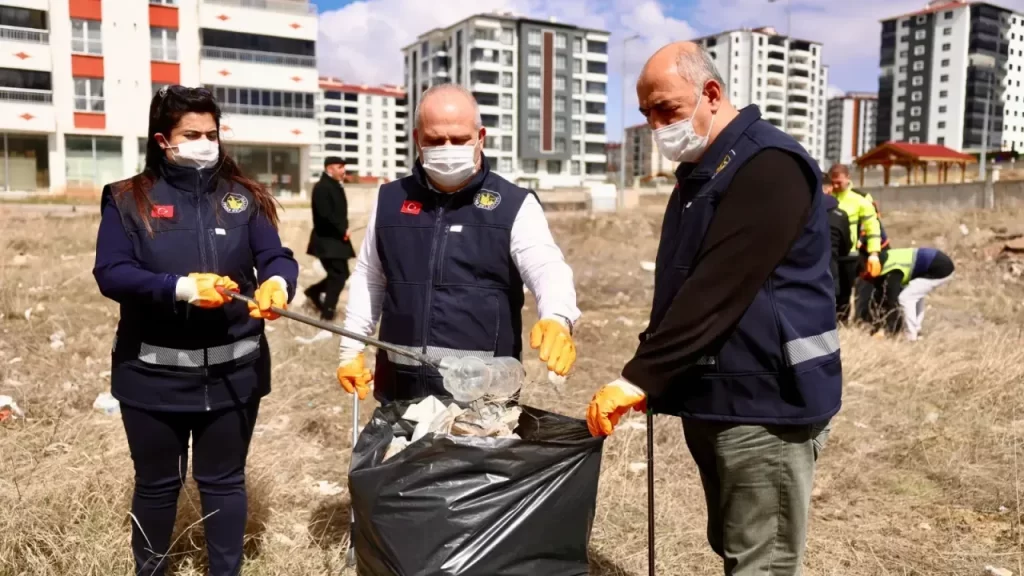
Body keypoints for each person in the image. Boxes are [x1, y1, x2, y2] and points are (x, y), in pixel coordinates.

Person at [585, 43, 841, 575]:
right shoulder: (701, 176)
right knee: (735, 544)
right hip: (721, 397)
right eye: (646, 114)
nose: (656, 125)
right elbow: (682, 291)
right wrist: (654, 369)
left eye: (666, 109)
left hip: (768, 402)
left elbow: (719, 286)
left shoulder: (769, 165)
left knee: (761, 563)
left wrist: (641, 377)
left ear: (712, 94)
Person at [92, 85, 298, 576]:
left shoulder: (243, 198)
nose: (205, 142)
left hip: (234, 376)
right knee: (158, 485)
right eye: (192, 134)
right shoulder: (126, 199)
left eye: (212, 133)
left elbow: (276, 256)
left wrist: (276, 282)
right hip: (152, 377)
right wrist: (180, 287)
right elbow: (111, 272)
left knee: (224, 481)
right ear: (164, 139)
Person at [334, 84, 580, 402]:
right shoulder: (391, 200)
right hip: (399, 393)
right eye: (435, 140)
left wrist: (557, 318)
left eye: (460, 139)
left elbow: (546, 267)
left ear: (480, 137)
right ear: (417, 139)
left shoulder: (513, 205)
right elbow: (370, 277)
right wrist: (351, 348)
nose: (447, 148)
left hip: (482, 398)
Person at [828, 163, 884, 322]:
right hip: (829, 254)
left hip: (849, 255)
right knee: (830, 291)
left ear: (848, 179)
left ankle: (842, 322)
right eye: (833, 182)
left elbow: (873, 228)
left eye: (839, 182)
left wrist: (874, 254)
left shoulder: (860, 200)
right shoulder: (827, 197)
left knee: (845, 292)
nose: (836, 185)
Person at [305, 156, 355, 320]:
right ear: (329, 169)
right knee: (338, 276)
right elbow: (324, 216)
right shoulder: (322, 187)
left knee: (341, 274)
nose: (343, 170)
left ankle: (315, 293)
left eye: (343, 167)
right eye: (339, 167)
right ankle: (327, 314)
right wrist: (342, 230)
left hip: (336, 240)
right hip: (327, 240)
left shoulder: (334, 186)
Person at [871, 247, 955, 341]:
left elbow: (893, 301)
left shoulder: (891, 271)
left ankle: (910, 336)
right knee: (914, 294)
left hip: (940, 268)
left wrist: (890, 328)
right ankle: (917, 331)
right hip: (937, 260)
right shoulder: (884, 257)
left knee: (906, 298)